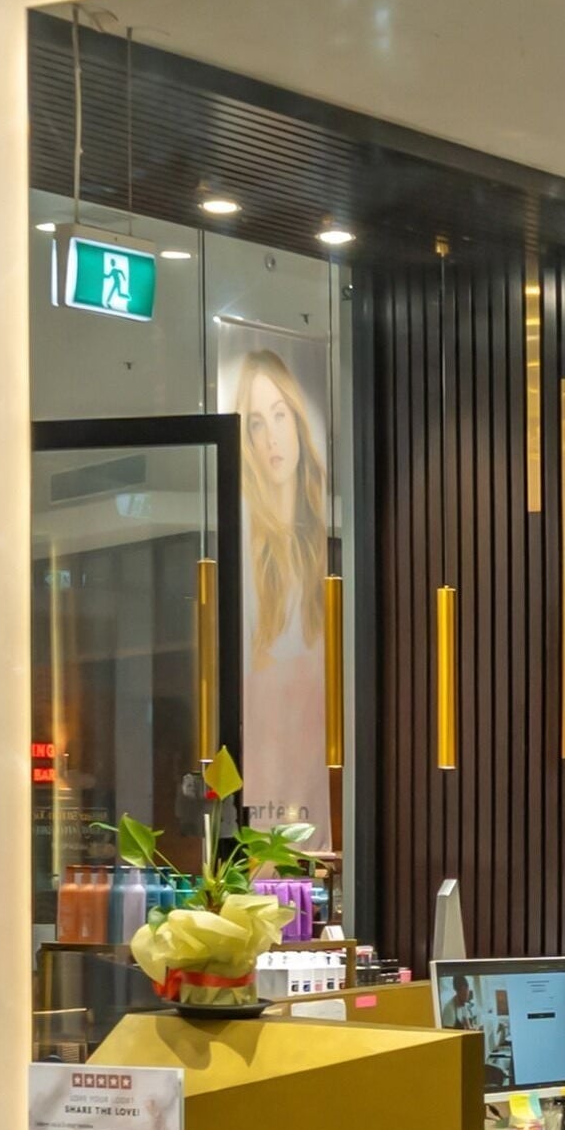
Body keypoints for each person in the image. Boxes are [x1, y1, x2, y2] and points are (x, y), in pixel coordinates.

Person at [231, 345, 330, 817]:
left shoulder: (320, 552)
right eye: (256, 423)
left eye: (279, 415)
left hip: (310, 783)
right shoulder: (251, 558)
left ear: (297, 420)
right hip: (269, 784)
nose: (272, 437)